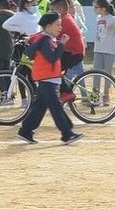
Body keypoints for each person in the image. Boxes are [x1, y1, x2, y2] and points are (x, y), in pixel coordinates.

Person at [16, 8, 86, 146]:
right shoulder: (45, 40)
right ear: (48, 26)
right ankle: (67, 133)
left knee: (39, 107)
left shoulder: (46, 38)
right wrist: (62, 45)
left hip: (47, 79)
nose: (60, 27)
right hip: (47, 79)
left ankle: (25, 131)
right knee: (56, 107)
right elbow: (52, 58)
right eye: (57, 24)